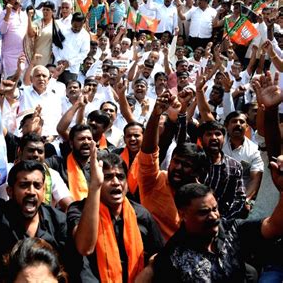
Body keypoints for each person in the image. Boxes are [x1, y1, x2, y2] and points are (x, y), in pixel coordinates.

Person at [68, 145, 164, 282]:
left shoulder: (141, 214)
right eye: (107, 177)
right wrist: (95, 186)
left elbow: (159, 254)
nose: (116, 182)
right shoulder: (78, 210)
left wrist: (148, 271)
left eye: (120, 177)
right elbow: (84, 248)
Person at [153, 181, 283, 282]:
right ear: (183, 215)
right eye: (204, 212)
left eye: (215, 209)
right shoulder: (171, 258)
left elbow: (274, 226)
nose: (214, 216)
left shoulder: (233, 229)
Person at [0, 160, 67, 277]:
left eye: (37, 186)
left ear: (44, 190)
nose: (31, 192)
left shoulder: (58, 221)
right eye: (24, 185)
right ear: (10, 191)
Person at [137, 92, 208, 240]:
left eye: (186, 165)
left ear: (197, 172)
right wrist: (156, 114)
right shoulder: (155, 181)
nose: (178, 168)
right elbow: (148, 151)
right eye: (176, 161)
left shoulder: (202, 196)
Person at [18, 133, 73, 211]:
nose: (36, 154)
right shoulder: (7, 171)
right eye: (31, 150)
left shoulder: (52, 175)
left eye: (40, 152)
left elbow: (69, 205)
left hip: (44, 221)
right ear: (20, 152)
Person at [52, 12, 91, 84]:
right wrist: (58, 59)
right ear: (71, 22)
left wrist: (70, 63)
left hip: (72, 69)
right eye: (75, 26)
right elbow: (55, 45)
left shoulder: (85, 36)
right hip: (58, 66)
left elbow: (84, 53)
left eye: (80, 26)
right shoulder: (63, 30)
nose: (77, 28)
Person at [0, 0, 28, 78]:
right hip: (9, 55)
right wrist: (8, 13)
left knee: (23, 83)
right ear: (8, 0)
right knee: (11, 81)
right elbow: (2, 30)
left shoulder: (24, 14)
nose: (17, 1)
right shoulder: (3, 13)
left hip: (23, 54)